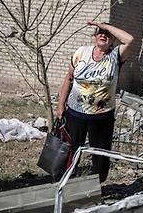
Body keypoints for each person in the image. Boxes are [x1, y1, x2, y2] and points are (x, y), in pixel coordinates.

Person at [56, 21, 134, 184]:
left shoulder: (116, 56)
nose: (103, 35)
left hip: (101, 117)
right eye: (100, 32)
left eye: (108, 34)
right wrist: (60, 105)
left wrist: (103, 25)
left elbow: (129, 40)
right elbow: (68, 79)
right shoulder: (81, 52)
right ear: (94, 37)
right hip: (75, 113)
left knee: (100, 155)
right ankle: (64, 183)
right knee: (69, 151)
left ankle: (95, 187)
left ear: (113, 40)